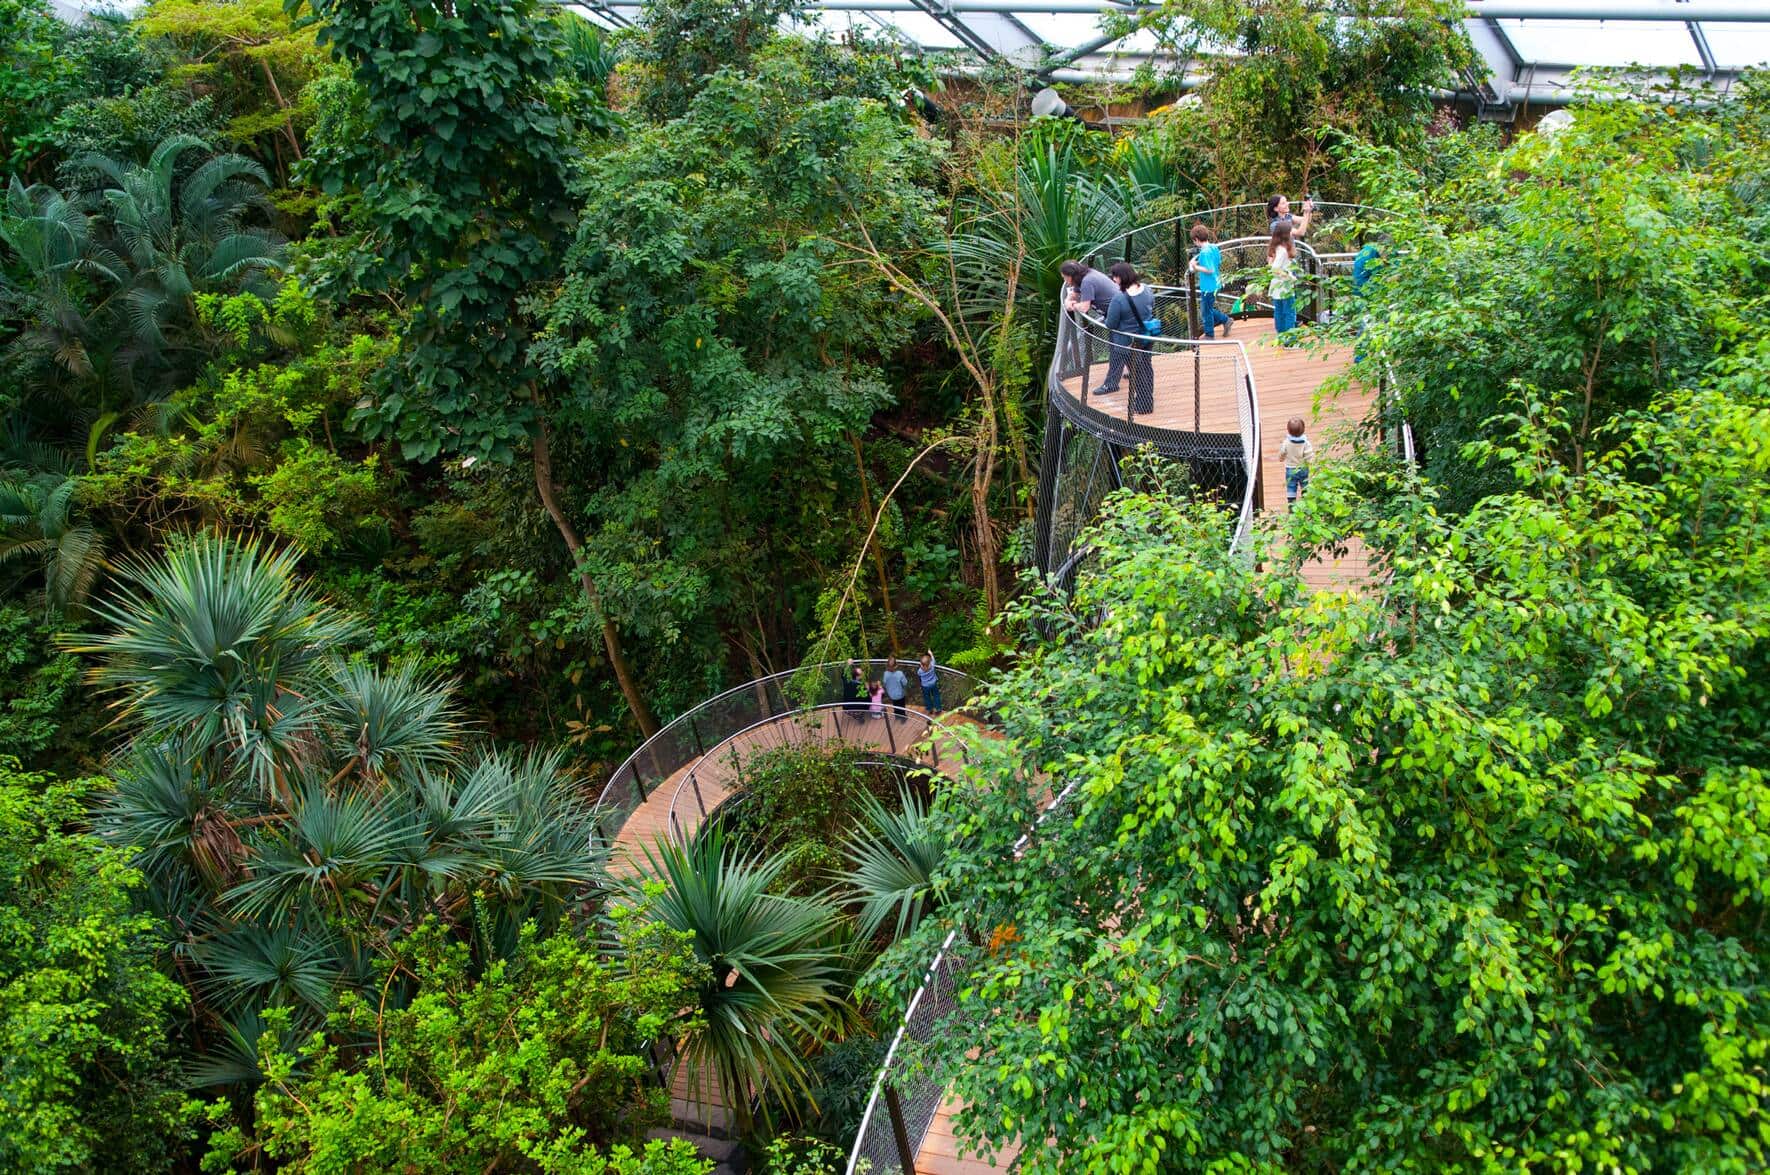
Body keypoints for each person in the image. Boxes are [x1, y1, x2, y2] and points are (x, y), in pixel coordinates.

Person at [1099, 262, 1156, 415]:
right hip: (1146, 336)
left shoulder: (1119, 299)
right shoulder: (1147, 290)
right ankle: (1146, 399)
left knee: (1137, 372)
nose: (1113, 280)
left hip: (1128, 342)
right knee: (1146, 367)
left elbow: (1111, 323)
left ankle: (1144, 404)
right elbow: (1152, 307)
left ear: (1120, 278)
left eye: (1114, 277)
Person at [1188, 222, 1231, 339]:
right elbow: (1216, 263)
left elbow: (1209, 269)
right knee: (1207, 308)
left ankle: (1210, 334)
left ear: (1196, 240)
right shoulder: (1213, 247)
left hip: (1208, 286)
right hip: (1216, 282)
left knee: (1206, 311)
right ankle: (1226, 320)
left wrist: (1195, 266)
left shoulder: (1205, 252)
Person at [1267, 222, 1300, 338]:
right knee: (1289, 312)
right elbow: (1275, 269)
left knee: (1279, 311)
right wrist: (1290, 277)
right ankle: (1290, 339)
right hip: (1284, 286)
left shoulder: (1276, 247)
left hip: (1277, 285)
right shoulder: (1283, 250)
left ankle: (1281, 335)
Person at [1278, 416, 1314, 504]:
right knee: (1305, 485)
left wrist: (1281, 458)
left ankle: (1291, 505)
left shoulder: (1286, 442)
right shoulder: (1306, 443)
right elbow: (1309, 455)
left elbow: (1282, 452)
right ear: (1303, 429)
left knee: (1291, 487)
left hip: (1290, 469)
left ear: (1288, 430)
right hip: (1303, 468)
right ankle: (1306, 504)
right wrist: (1310, 464)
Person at [881, 657, 910, 723]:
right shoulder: (900, 673)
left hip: (891, 695)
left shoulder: (885, 674)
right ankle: (903, 717)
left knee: (895, 705)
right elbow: (905, 683)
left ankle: (897, 716)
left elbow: (884, 683)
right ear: (896, 665)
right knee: (901, 706)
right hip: (900, 694)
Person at [917, 650, 942, 716]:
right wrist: (931, 653)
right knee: (936, 696)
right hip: (933, 684)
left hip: (925, 686)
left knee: (927, 697)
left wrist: (922, 664)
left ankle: (930, 709)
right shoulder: (932, 666)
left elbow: (919, 675)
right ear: (930, 662)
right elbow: (933, 659)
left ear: (921, 665)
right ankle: (938, 708)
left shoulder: (920, 671)